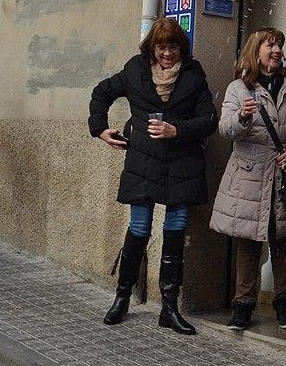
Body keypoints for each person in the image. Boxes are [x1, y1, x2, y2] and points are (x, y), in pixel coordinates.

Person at [89, 18, 217, 335]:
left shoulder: (194, 74)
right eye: (162, 47)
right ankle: (122, 298)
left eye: (173, 47)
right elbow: (102, 92)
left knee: (175, 231)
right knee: (139, 228)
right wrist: (100, 129)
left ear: (180, 48)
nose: (167, 54)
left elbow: (208, 120)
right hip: (143, 163)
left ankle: (169, 308)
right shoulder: (135, 70)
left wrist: (178, 130)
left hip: (182, 165)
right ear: (152, 49)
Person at [209, 27, 286, 332]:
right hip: (249, 177)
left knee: (282, 243)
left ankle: (283, 305)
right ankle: (243, 305)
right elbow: (226, 129)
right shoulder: (238, 89)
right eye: (270, 45)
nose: (277, 50)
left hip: (283, 175)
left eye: (280, 45)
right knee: (248, 244)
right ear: (256, 50)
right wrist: (242, 117)